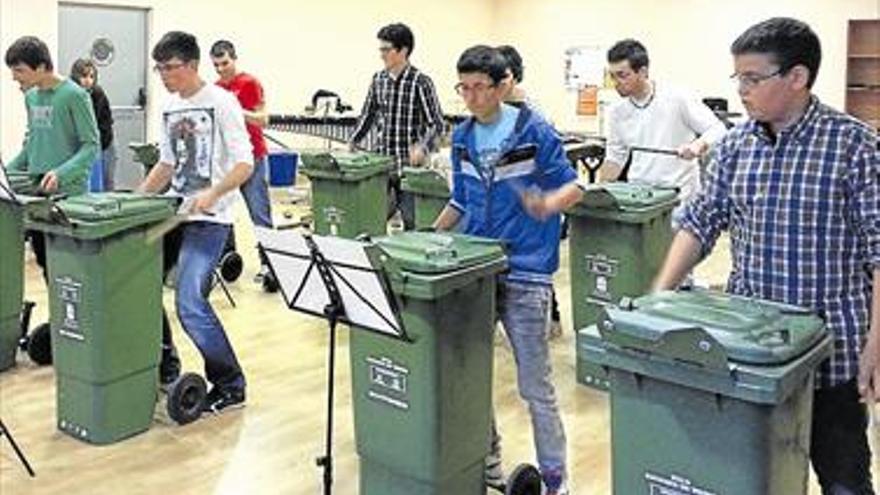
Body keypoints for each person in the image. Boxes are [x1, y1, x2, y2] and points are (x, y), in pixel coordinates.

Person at [652, 18, 878, 495]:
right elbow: (699, 224)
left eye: (753, 79)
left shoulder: (854, 146)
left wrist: (877, 345)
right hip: (749, 354)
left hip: (832, 356)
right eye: (738, 79)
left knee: (844, 480)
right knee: (748, 477)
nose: (742, 91)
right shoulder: (735, 147)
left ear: (797, 77)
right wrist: (656, 299)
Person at [433, 45, 584, 495]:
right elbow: (460, 200)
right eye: (464, 88)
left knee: (535, 386)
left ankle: (556, 480)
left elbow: (573, 185)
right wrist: (427, 235)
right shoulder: (461, 136)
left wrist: (548, 204)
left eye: (481, 87)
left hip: (526, 273)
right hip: (475, 271)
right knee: (473, 379)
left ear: (503, 86)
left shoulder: (534, 130)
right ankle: (489, 463)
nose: (472, 97)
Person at [138, 31, 253, 415]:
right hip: (175, 212)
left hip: (210, 219)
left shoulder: (222, 103)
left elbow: (244, 163)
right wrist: (133, 201)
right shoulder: (170, 107)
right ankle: (166, 364)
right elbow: (167, 165)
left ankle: (230, 383)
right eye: (159, 69)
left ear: (191, 65)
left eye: (169, 68)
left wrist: (214, 193)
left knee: (190, 302)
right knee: (140, 286)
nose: (164, 76)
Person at [4, 36, 100, 278]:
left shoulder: (75, 96)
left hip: (68, 195)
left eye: (19, 70)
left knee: (69, 270)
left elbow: (91, 146)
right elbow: (32, 144)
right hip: (37, 195)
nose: (15, 77)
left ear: (41, 67)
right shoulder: (31, 97)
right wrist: (4, 173)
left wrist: (61, 172)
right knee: (46, 263)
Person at [601, 38, 727, 221]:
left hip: (680, 197)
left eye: (622, 75)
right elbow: (615, 157)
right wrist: (597, 193)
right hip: (641, 198)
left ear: (643, 72)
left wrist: (698, 145)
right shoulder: (616, 111)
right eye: (612, 76)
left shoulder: (677, 97)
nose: (616, 82)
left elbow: (718, 129)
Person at [349, 22, 445, 230]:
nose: (381, 55)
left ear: (403, 50)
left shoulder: (421, 82)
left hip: (410, 168)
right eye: (380, 49)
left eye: (386, 49)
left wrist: (423, 147)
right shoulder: (378, 79)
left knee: (413, 224)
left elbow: (437, 124)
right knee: (372, 221)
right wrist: (354, 140)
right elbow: (368, 114)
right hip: (382, 165)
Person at [497, 44, 564, 338]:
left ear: (513, 77)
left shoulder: (534, 114)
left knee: (533, 266)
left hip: (532, 199)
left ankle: (551, 318)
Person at [209, 39, 275, 286]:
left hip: (253, 157)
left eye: (224, 63)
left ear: (234, 59)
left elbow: (263, 119)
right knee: (222, 212)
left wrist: (236, 110)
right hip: (227, 161)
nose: (221, 69)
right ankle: (227, 261)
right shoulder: (214, 89)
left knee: (260, 213)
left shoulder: (249, 83)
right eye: (216, 65)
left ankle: (270, 266)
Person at [70, 58, 117, 191]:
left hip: (104, 142)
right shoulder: (71, 94)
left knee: (106, 180)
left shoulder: (97, 94)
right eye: (84, 76)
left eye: (92, 76)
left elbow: (96, 125)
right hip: (83, 144)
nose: (88, 80)